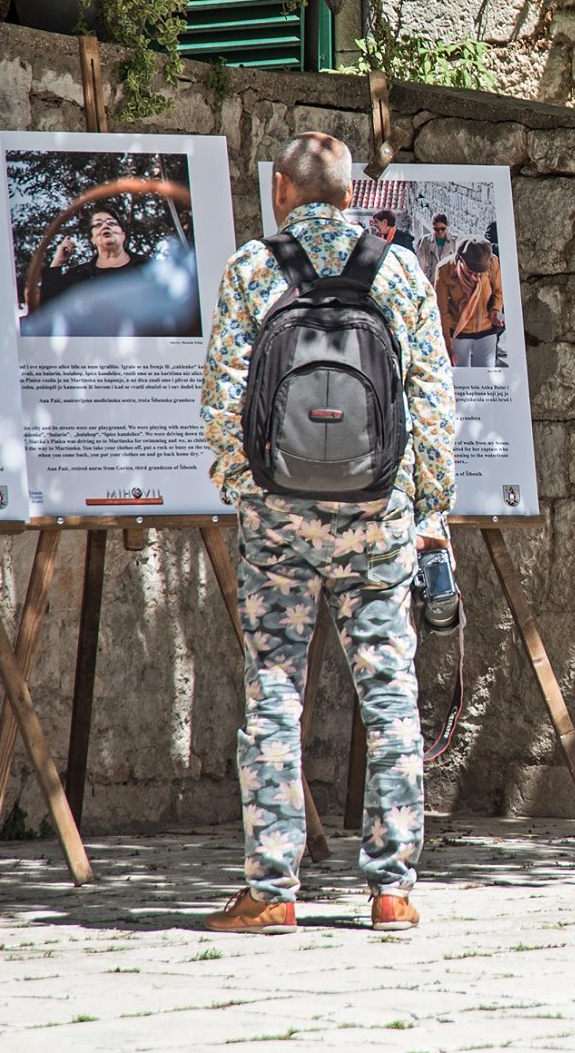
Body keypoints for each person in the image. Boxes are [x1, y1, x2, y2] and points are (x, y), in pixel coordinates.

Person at [199, 131, 456, 935]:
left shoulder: (251, 269)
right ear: (353, 193)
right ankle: (392, 887)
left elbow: (222, 405)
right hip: (379, 521)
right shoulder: (399, 270)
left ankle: (273, 889)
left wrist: (253, 495)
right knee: (390, 697)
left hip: (278, 526)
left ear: (282, 189)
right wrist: (427, 511)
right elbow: (434, 406)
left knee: (274, 691)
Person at [38, 204, 141, 307]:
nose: (105, 226)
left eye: (112, 223)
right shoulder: (78, 275)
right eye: (97, 225)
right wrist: (58, 261)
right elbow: (47, 307)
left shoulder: (148, 267)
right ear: (92, 239)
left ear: (123, 235)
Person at [433, 237, 504, 367]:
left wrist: (495, 310)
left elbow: (498, 291)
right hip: (458, 333)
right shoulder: (445, 269)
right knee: (460, 376)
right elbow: (441, 310)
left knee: (486, 379)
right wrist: (447, 345)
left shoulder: (493, 262)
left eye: (480, 272)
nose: (476, 275)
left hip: (486, 329)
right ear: (461, 260)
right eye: (472, 271)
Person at [414, 213, 454, 283]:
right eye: (436, 229)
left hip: (448, 281)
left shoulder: (454, 241)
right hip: (431, 279)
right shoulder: (426, 241)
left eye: (442, 228)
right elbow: (421, 262)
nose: (440, 232)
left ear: (446, 226)